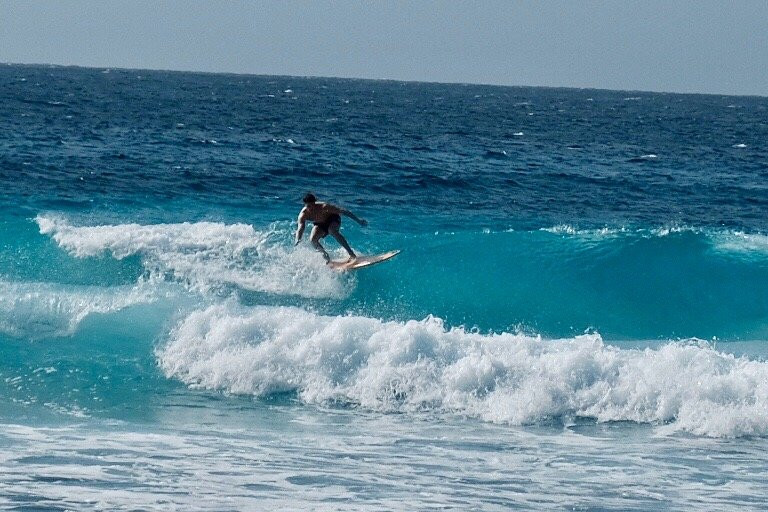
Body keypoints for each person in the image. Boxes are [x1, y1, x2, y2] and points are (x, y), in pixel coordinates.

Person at [295, 193, 368, 262]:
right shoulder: (303, 215)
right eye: (308, 206)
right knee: (313, 239)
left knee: (332, 231)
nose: (310, 208)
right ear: (305, 205)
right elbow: (300, 228)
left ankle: (352, 255)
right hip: (320, 224)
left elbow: (344, 211)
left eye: (312, 205)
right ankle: (327, 258)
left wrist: (358, 220)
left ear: (315, 203)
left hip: (333, 219)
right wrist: (298, 240)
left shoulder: (324, 206)